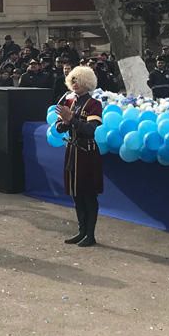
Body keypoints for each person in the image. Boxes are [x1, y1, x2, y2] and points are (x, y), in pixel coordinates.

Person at [54, 65, 104, 247]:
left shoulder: (94, 104)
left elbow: (91, 130)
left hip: (87, 153)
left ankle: (90, 234)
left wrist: (72, 120)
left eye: (78, 80)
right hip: (73, 152)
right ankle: (81, 231)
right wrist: (65, 122)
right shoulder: (70, 102)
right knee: (76, 193)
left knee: (88, 194)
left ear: (87, 82)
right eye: (72, 80)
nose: (74, 83)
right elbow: (59, 128)